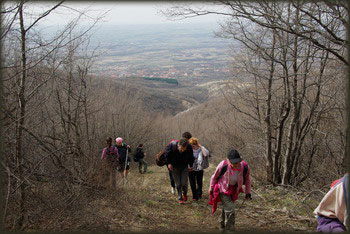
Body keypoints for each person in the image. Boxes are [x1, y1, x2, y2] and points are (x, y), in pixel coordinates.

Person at [208, 149, 252, 232]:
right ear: (228, 160)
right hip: (222, 189)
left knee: (227, 207)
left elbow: (247, 180)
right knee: (231, 208)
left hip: (234, 190)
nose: (236, 164)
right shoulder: (223, 165)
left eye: (237, 162)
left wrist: (248, 192)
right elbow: (214, 177)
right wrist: (211, 187)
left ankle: (221, 224)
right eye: (233, 162)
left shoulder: (244, 167)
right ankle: (230, 230)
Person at [165, 137, 194, 204]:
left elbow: (191, 157)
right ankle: (180, 198)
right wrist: (168, 163)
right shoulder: (172, 145)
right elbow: (166, 155)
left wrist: (191, 165)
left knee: (184, 183)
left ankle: (185, 194)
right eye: (182, 148)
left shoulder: (189, 147)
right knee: (178, 184)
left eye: (185, 148)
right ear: (179, 145)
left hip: (184, 167)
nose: (183, 150)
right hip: (174, 167)